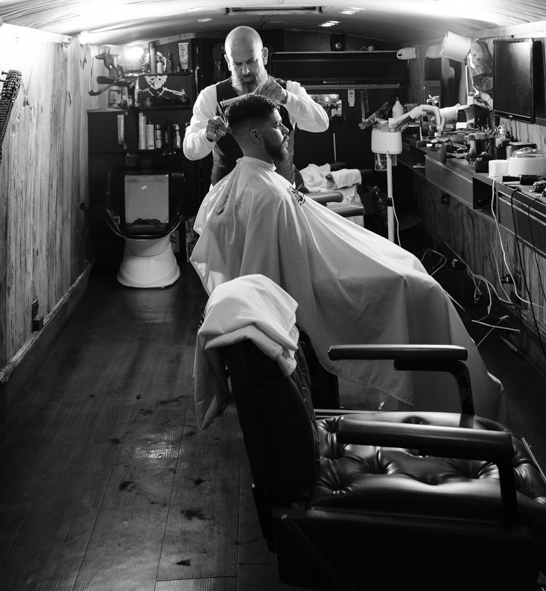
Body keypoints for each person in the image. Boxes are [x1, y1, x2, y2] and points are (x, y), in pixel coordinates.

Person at [190, 94, 508, 422]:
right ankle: (450, 406)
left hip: (323, 264)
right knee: (421, 289)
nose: (286, 129)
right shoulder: (268, 194)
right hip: (319, 281)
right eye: (277, 124)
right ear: (256, 136)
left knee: (410, 266)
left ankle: (436, 401)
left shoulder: (248, 181)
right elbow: (284, 276)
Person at [182, 25, 328, 184]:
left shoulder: (289, 89)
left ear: (264, 55)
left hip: (281, 195)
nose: (245, 71)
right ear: (228, 62)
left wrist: (287, 98)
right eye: (237, 64)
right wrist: (207, 136)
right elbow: (190, 151)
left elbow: (321, 124)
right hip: (229, 198)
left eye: (251, 61)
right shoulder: (210, 96)